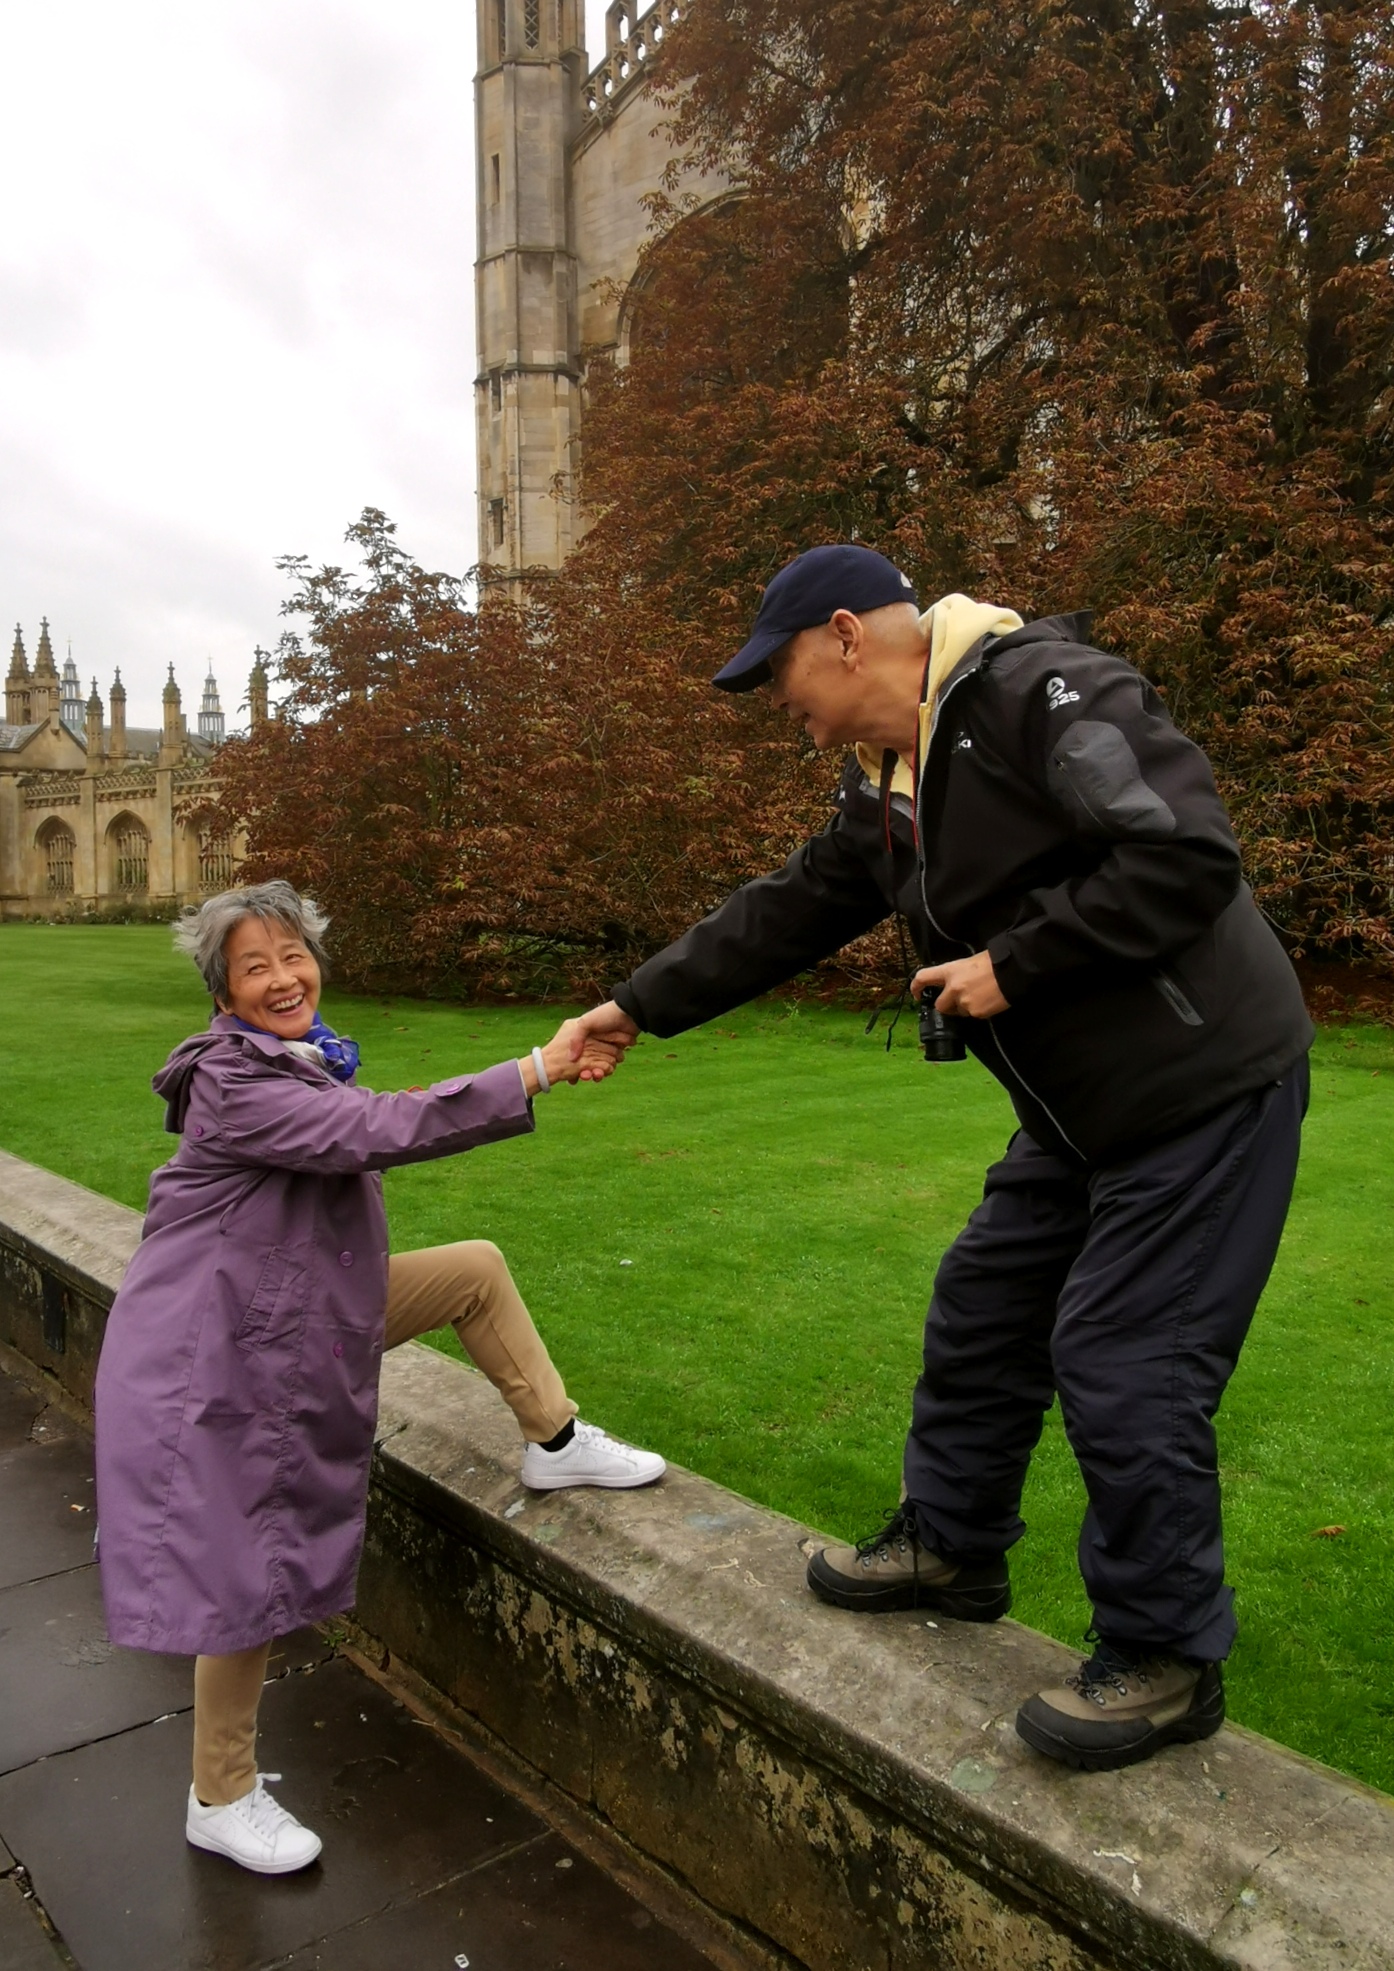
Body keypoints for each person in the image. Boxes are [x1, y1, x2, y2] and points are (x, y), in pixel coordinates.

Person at [572, 545, 1313, 1773]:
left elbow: (1180, 855)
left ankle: (1167, 1657)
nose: (784, 709)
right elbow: (787, 908)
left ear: (850, 636)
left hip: (1202, 1089)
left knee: (1124, 1354)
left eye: (784, 673)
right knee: (982, 1309)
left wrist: (1011, 966)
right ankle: (953, 1546)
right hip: (1079, 1115)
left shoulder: (1039, 693)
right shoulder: (890, 783)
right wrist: (632, 1007)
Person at [94, 881, 663, 1877]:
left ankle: (556, 1442)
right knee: (245, 1572)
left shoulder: (288, 1057)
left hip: (294, 1307)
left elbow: (356, 1126)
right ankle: (218, 1799)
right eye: (253, 967)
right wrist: (534, 1067)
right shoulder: (239, 1083)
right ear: (221, 995)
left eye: (292, 955)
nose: (281, 978)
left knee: (474, 1271)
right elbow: (377, 1131)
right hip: (217, 1352)